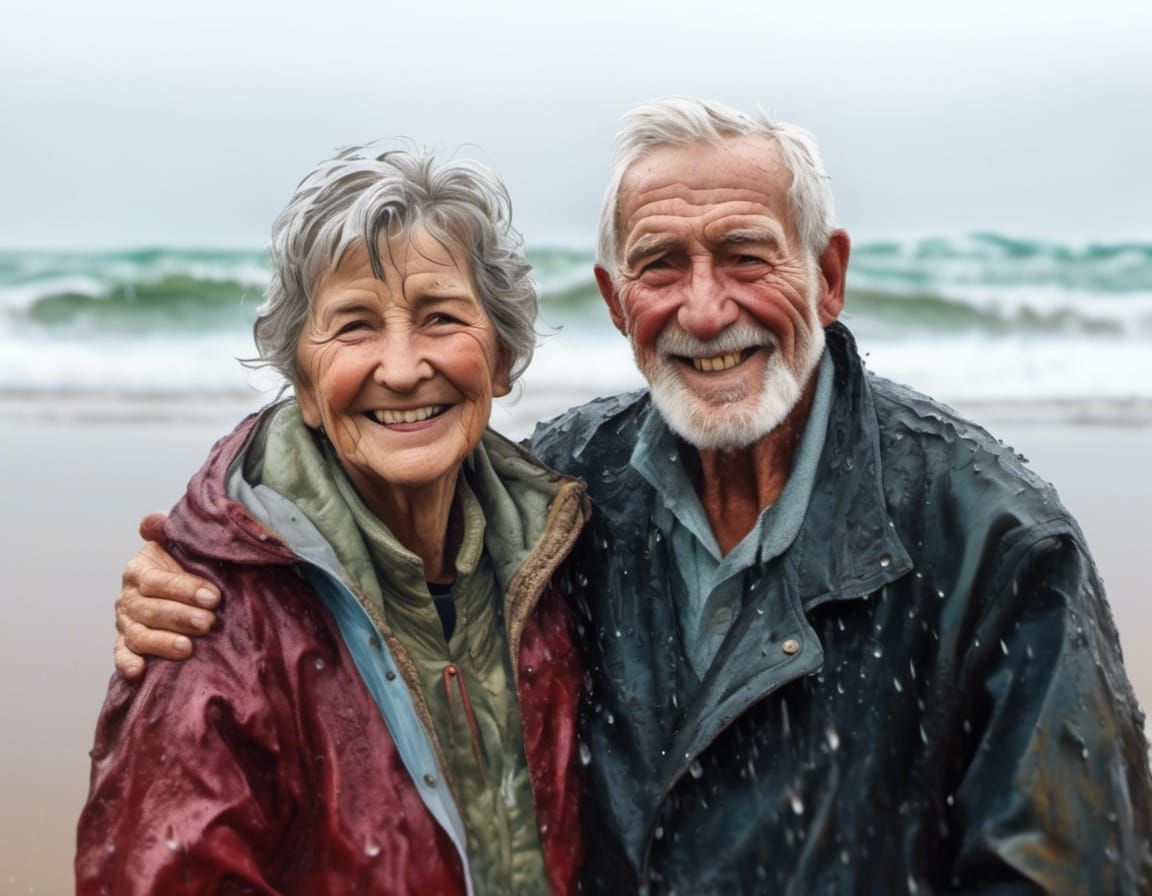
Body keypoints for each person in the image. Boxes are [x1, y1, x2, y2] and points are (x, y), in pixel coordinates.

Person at [114, 98, 1152, 894]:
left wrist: (224, 553)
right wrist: (216, 563)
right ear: (616, 302)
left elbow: (1066, 866)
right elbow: (371, 505)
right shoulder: (565, 494)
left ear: (827, 275)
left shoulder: (993, 535)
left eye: (747, 256)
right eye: (662, 264)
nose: (706, 308)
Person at [77, 146, 590, 894]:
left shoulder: (560, 556)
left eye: (440, 316)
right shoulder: (210, 624)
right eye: (354, 326)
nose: (404, 366)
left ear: (503, 356)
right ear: (305, 386)